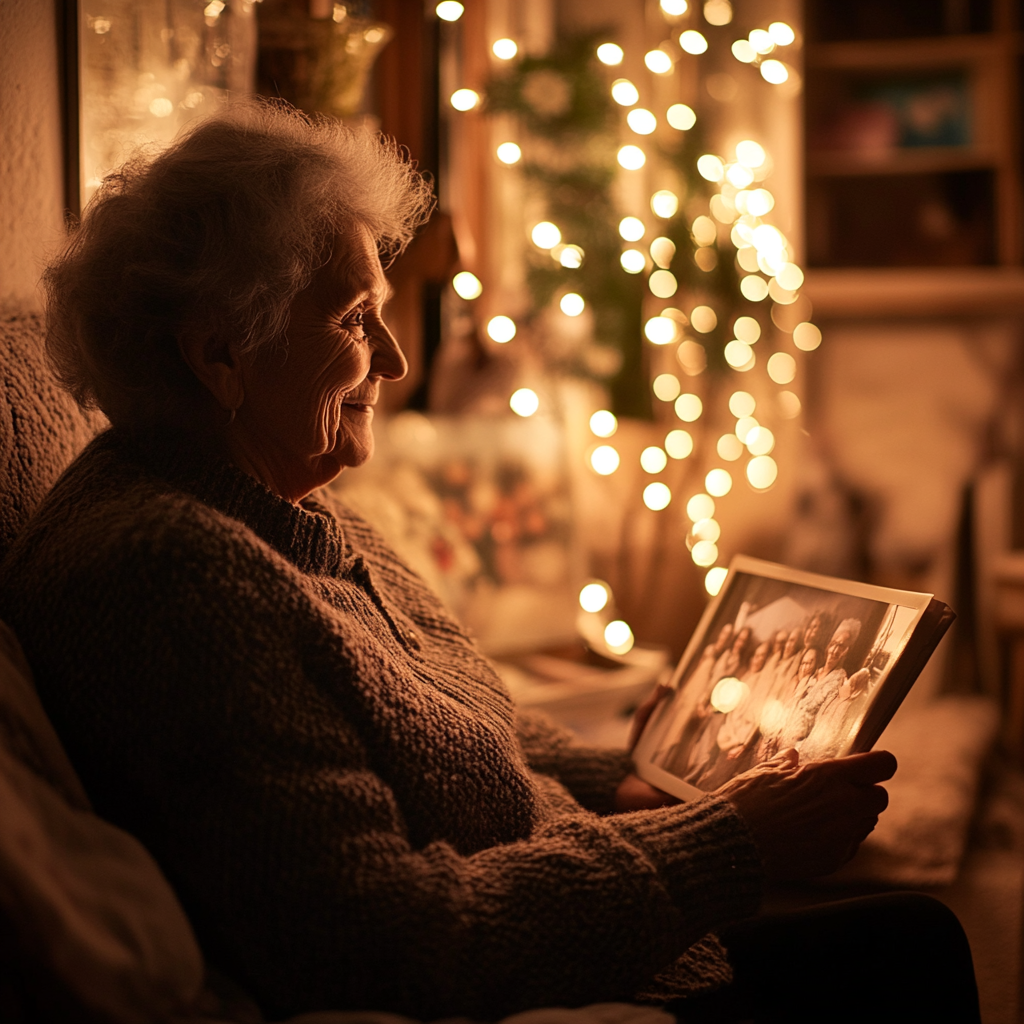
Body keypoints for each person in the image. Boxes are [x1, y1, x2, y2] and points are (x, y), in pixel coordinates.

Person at [0, 103, 979, 1023]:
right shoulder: (172, 578)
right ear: (219, 354)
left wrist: (625, 778)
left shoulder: (280, 503)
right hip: (534, 961)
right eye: (351, 321)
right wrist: (725, 843)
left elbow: (448, 727)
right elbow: (389, 938)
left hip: (585, 885)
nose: (390, 361)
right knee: (910, 945)